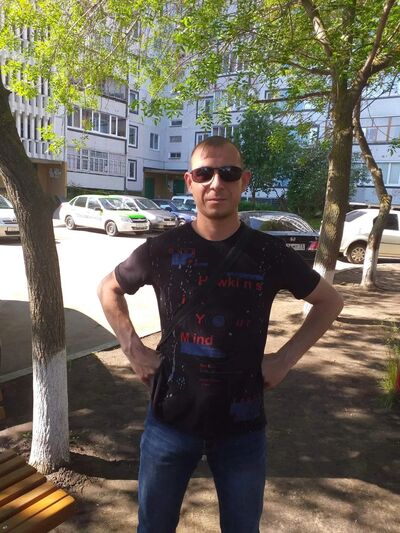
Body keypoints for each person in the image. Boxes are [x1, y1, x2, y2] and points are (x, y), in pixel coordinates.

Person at [97, 136, 344, 533]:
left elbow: (330, 301)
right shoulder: (162, 249)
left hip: (242, 429)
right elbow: (108, 288)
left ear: (243, 181)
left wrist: (284, 360)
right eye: (204, 173)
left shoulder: (268, 253)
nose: (216, 183)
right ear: (189, 181)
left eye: (228, 173)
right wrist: (133, 349)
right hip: (169, 422)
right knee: (153, 527)